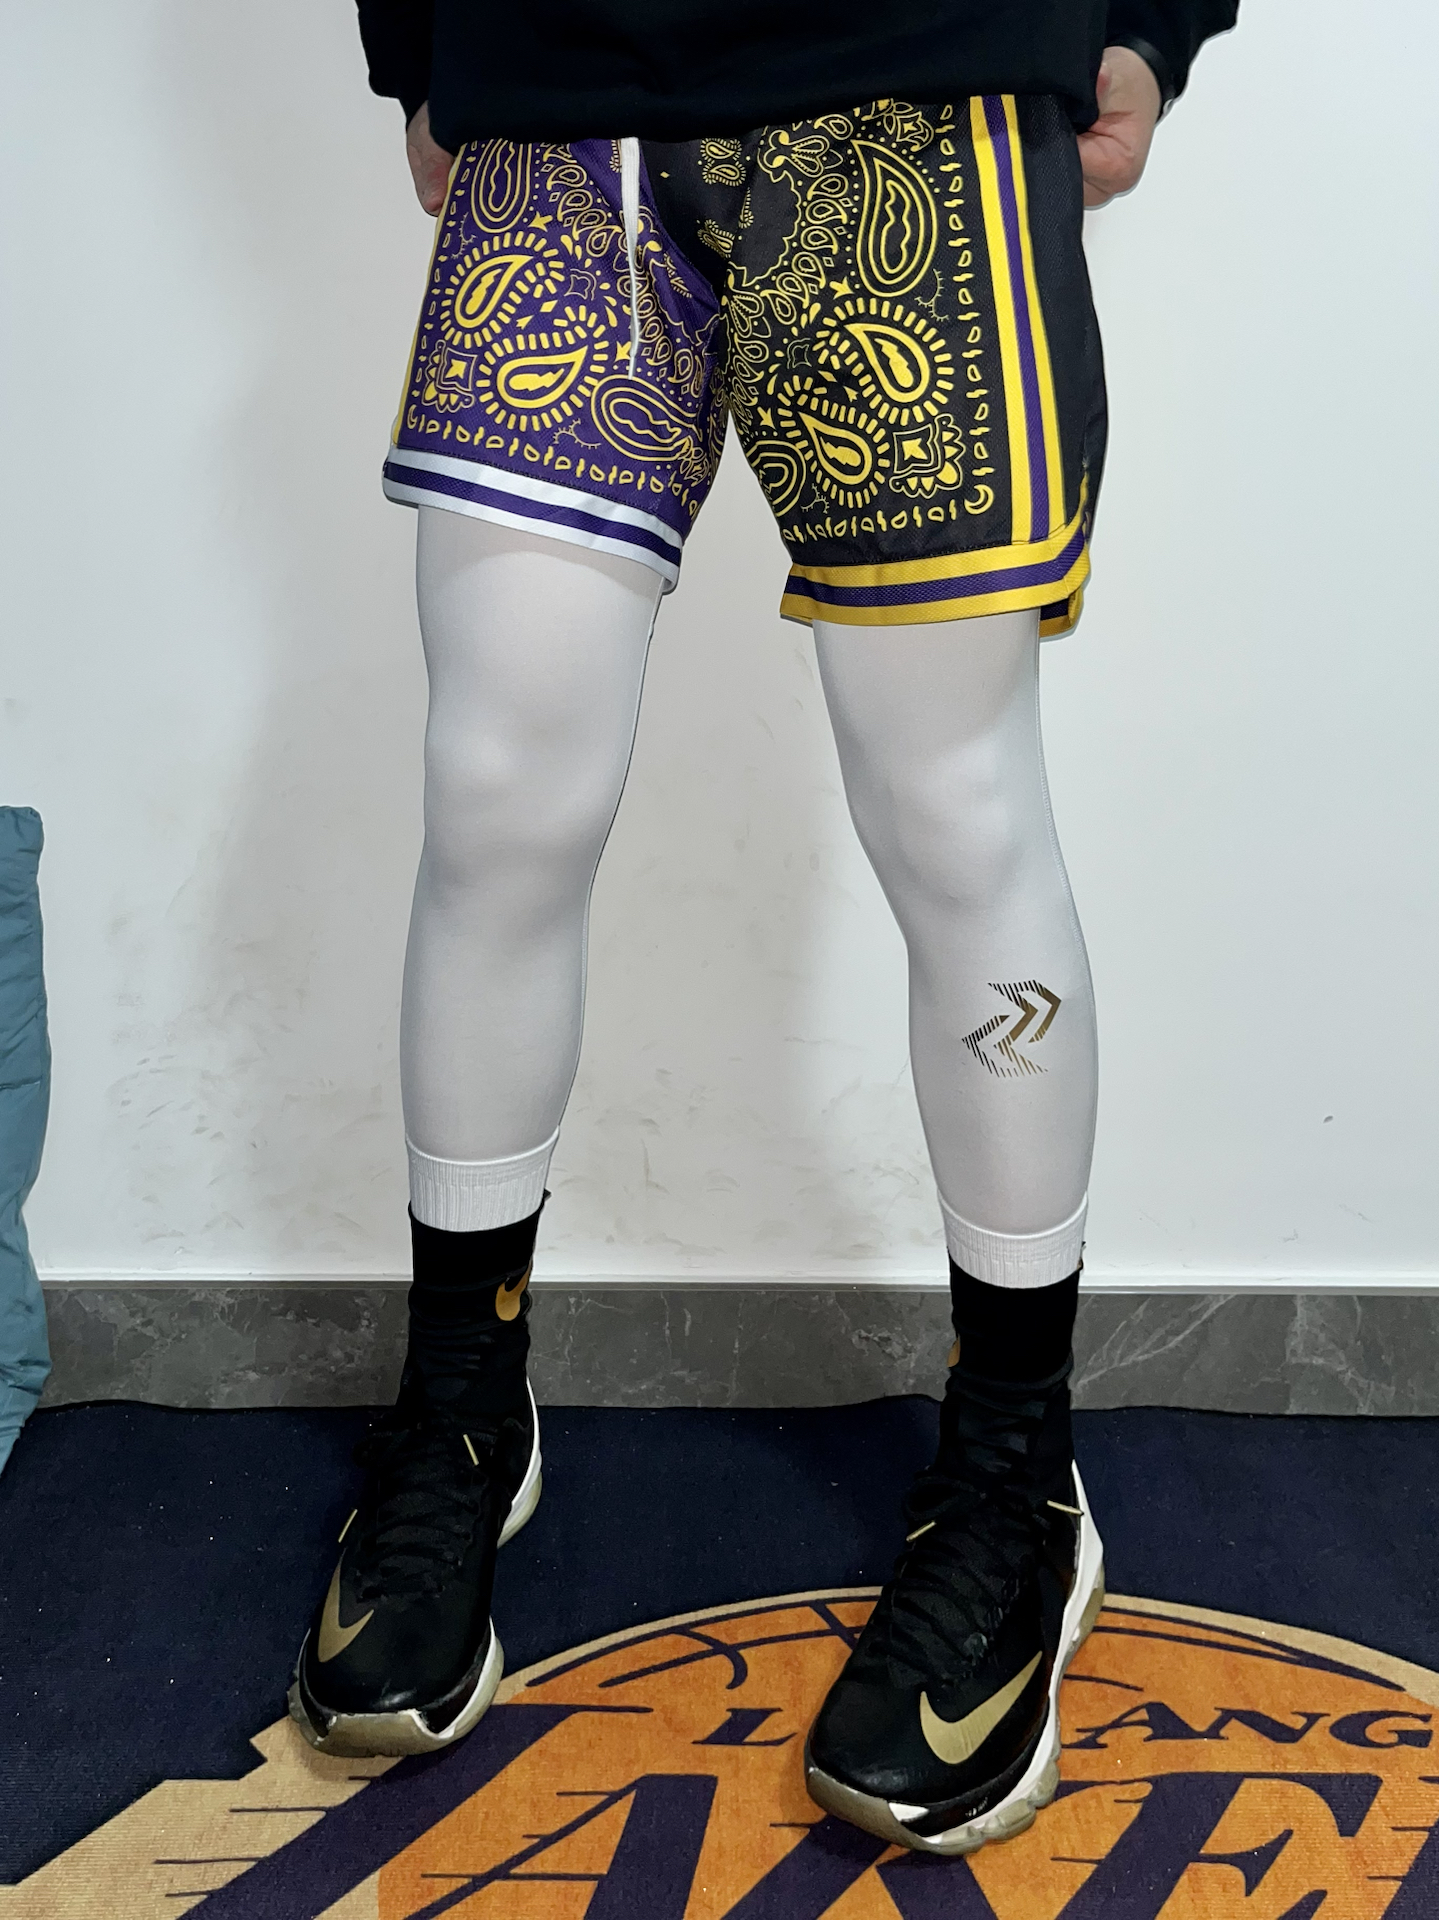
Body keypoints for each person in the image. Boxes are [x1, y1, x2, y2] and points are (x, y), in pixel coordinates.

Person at [288, 0, 1238, 1857]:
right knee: (497, 798)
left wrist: (1145, 18)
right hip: (562, 107)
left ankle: (1018, 1471)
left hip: (923, 84)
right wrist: (422, 36)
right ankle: (466, 1407)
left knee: (955, 820)